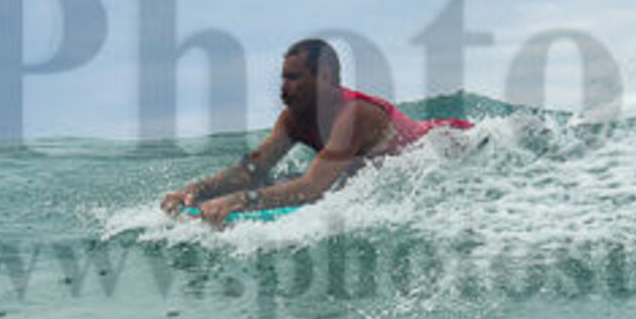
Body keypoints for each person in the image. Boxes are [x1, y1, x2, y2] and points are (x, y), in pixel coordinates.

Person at [161, 39, 472, 226]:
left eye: (294, 78)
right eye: (283, 78)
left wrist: (236, 202)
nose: (284, 88)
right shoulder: (293, 119)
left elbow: (313, 188)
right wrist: (195, 190)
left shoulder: (354, 115)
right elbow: (252, 169)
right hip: (369, 166)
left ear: (324, 76)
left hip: (448, 144)